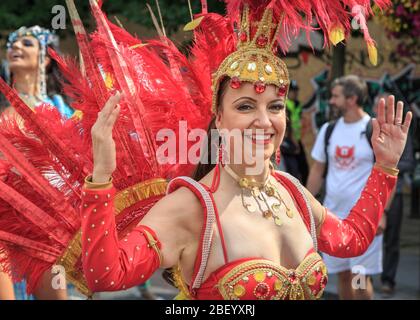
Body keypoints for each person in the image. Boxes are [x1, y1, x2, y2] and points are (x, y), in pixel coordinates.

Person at [0, 0, 407, 300]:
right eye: (245, 106)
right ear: (218, 119)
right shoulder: (193, 206)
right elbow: (108, 275)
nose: (265, 122)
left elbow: (351, 240)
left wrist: (385, 168)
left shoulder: (293, 193)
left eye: (275, 107)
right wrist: (101, 179)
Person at [0, 25, 75, 300]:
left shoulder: (60, 111)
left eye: (27, 44)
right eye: (12, 44)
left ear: (44, 59)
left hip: (45, 221)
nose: (16, 48)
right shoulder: (2, 110)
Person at [306, 75, 387, 300]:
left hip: (364, 221)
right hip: (333, 219)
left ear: (351, 99)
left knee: (359, 280)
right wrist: (304, 204)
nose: (331, 101)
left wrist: (382, 213)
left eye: (336, 96)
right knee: (342, 276)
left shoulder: (374, 130)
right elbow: (317, 171)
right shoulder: (328, 130)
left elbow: (387, 174)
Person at [372, 93, 416, 297]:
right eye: (376, 106)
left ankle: (388, 280)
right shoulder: (368, 130)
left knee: (391, 240)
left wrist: (390, 161)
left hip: (394, 193)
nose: (377, 110)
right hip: (371, 192)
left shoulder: (400, 134)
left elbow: (409, 162)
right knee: (368, 237)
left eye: (383, 107)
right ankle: (365, 277)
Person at [278, 80, 309, 184]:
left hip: (296, 139)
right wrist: (294, 142)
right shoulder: (285, 105)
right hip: (288, 141)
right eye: (292, 91)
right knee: (292, 170)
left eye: (296, 90)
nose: (295, 93)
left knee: (303, 169)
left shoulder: (297, 104)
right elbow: (288, 125)